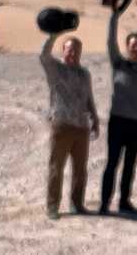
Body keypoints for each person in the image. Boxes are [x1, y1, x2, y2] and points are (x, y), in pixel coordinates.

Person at [99, 10, 137, 215]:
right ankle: (104, 203)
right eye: (133, 44)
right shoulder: (118, 63)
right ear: (127, 46)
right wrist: (114, 17)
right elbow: (110, 42)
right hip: (118, 121)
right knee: (112, 163)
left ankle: (124, 201)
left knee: (130, 165)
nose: (136, 47)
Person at [40, 33, 100, 220]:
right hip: (62, 125)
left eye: (77, 50)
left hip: (81, 127)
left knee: (80, 169)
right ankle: (52, 207)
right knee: (56, 168)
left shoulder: (84, 73)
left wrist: (95, 119)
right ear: (63, 50)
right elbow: (43, 55)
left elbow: (89, 97)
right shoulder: (56, 69)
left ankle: (77, 204)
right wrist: (54, 34)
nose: (73, 53)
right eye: (70, 50)